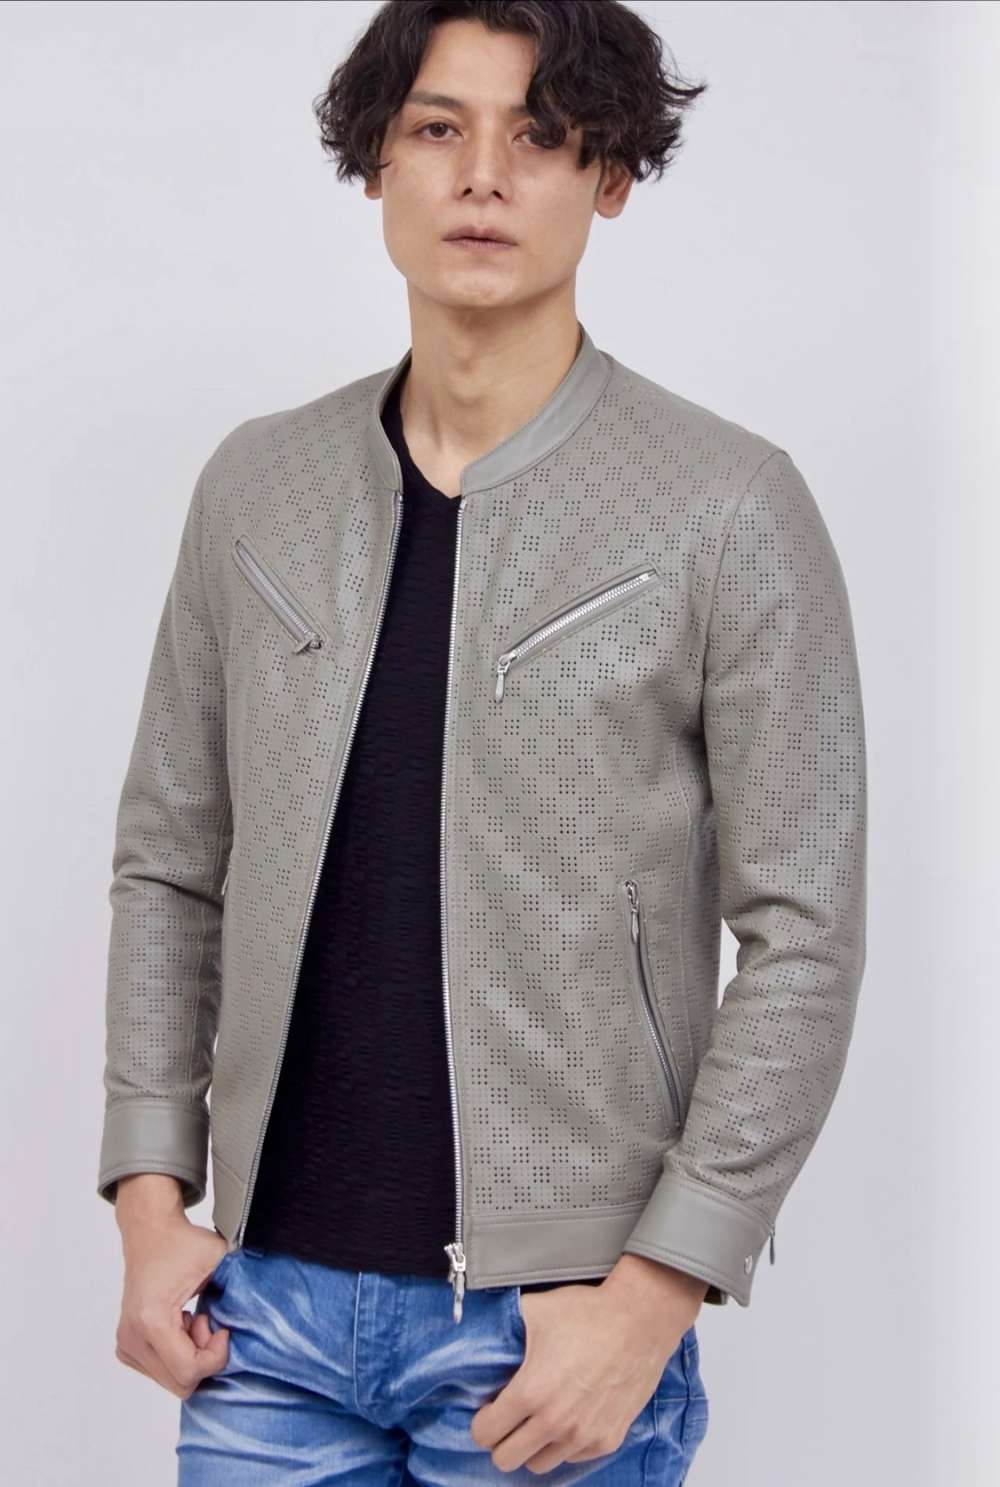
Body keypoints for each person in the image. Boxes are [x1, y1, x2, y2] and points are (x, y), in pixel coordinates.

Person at [97, 2, 867, 1482]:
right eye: (438, 129)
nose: (483, 177)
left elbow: (806, 935)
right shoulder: (257, 485)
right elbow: (168, 862)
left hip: (554, 1331)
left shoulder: (728, 505)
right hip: (264, 1316)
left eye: (542, 136)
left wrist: (656, 1293)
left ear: (612, 176)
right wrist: (147, 1198)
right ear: (377, 163)